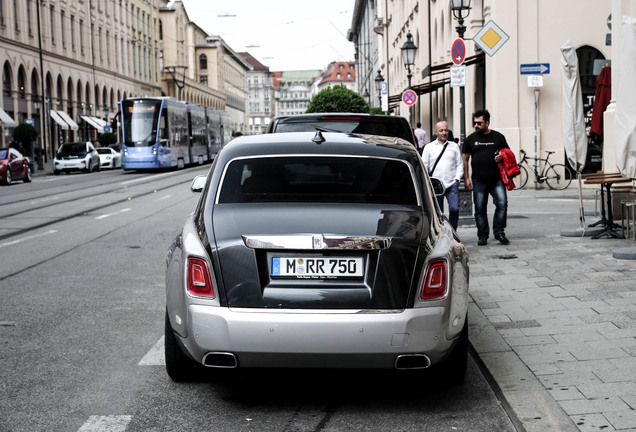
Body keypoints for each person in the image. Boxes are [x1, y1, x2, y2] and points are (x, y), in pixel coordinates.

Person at [462, 109, 511, 246]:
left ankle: (499, 232)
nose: (476, 125)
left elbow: (507, 152)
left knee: (502, 204)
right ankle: (482, 235)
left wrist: (502, 156)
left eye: (479, 123)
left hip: (497, 179)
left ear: (487, 123)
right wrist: (466, 178)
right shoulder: (470, 139)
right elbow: (464, 158)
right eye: (475, 123)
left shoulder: (498, 137)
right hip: (478, 179)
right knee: (479, 208)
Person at [422, 121, 463, 230]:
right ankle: (441, 232)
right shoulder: (429, 147)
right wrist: (427, 183)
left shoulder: (454, 146)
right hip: (436, 185)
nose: (444, 133)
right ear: (436, 132)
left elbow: (459, 164)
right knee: (438, 213)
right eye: (441, 130)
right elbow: (424, 166)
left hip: (451, 184)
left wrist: (457, 179)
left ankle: (453, 232)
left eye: (446, 130)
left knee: (454, 209)